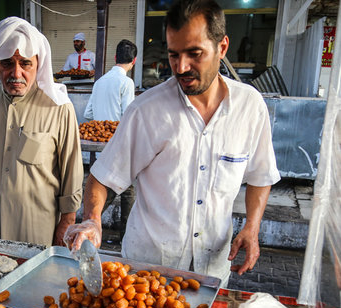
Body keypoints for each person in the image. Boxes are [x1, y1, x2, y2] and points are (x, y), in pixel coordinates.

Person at [65, 0, 280, 287]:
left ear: (222, 48)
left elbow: (260, 175)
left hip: (212, 271)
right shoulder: (146, 111)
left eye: (194, 54)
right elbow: (101, 178)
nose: (181, 67)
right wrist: (93, 219)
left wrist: (252, 227)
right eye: (173, 55)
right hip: (147, 273)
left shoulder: (249, 107)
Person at [0, 17, 84, 247]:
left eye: (25, 63)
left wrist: (67, 220)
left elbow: (72, 171)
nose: (16, 73)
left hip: (36, 229)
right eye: (7, 63)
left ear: (38, 62)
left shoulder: (59, 107)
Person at [84, 39, 137, 237]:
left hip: (101, 147)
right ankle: (123, 236)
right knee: (126, 190)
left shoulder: (100, 82)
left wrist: (101, 123)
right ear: (134, 61)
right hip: (119, 146)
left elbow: (89, 114)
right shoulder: (127, 82)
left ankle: (89, 223)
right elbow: (128, 117)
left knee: (104, 185)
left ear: (115, 58)